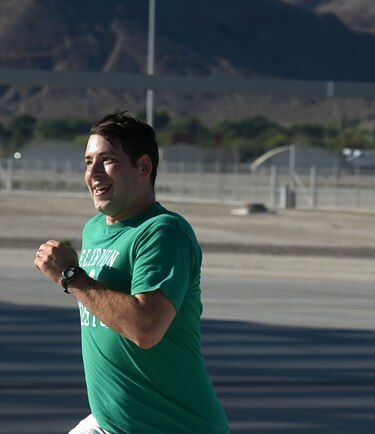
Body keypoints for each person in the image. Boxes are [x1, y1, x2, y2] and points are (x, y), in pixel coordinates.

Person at [34, 112, 229, 434]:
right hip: (110, 421)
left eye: (107, 160)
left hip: (173, 426)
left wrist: (70, 275)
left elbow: (146, 329)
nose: (93, 172)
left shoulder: (163, 232)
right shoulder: (95, 228)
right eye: (87, 162)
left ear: (143, 167)